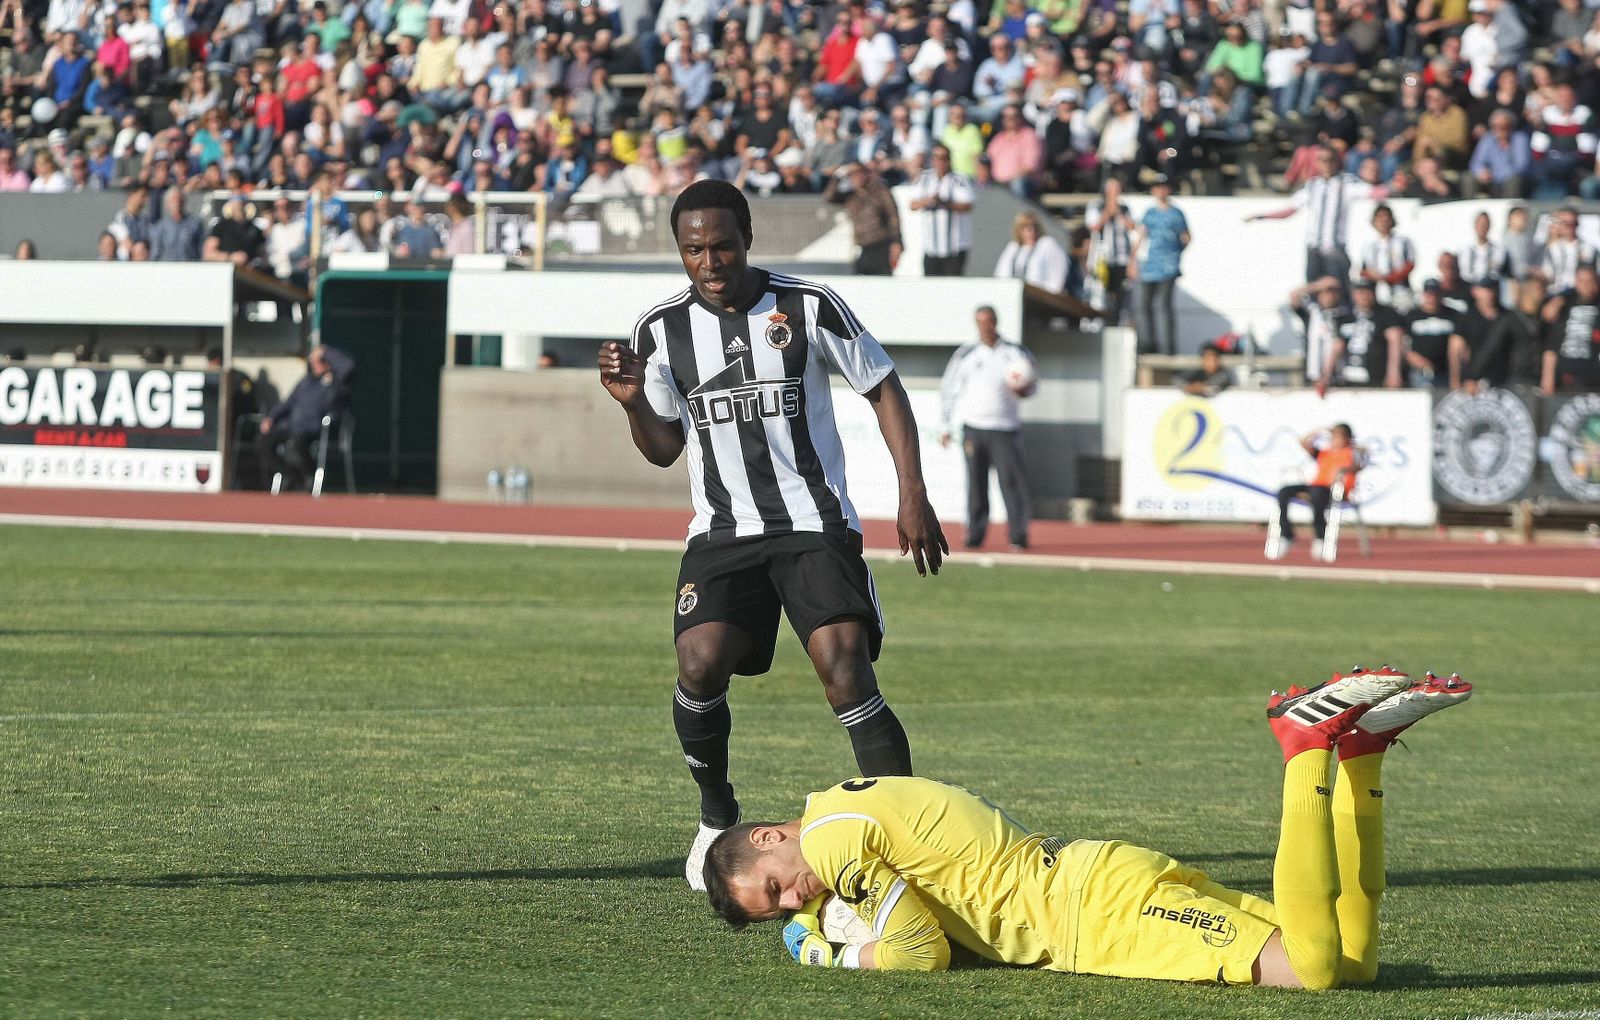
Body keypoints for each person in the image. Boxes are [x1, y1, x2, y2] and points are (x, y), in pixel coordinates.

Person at [595, 180, 948, 892]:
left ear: (746, 236)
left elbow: (882, 386)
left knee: (845, 670)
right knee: (698, 665)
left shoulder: (808, 305)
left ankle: (906, 846)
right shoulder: (659, 330)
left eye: (721, 244)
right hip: (724, 532)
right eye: (694, 249)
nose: (710, 260)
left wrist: (913, 491)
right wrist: (634, 402)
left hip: (814, 524)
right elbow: (663, 448)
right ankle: (715, 813)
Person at [705, 663, 1473, 989]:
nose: (790, 899)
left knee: (1313, 969)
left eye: (773, 887)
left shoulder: (835, 841)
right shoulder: (844, 803)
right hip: (1097, 880)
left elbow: (918, 956)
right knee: (1352, 961)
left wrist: (827, 956)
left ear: (771, 836)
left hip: (1096, 915)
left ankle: (1307, 749)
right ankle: (1363, 754)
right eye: (775, 907)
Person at [937, 305, 1037, 552]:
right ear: (976, 323)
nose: (986, 326)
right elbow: (949, 390)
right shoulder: (966, 354)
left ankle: (1018, 534)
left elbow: (1033, 384)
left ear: (996, 321)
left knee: (1011, 483)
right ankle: (975, 533)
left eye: (989, 321)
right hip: (974, 428)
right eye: (980, 322)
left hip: (1005, 429)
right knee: (976, 484)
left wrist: (1024, 390)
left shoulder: (1016, 353)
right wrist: (945, 426)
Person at [1247, 145, 1384, 284]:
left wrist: (1393, 187)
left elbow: (1372, 192)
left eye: (1330, 160)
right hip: (1314, 249)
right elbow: (1290, 210)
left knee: (1339, 289)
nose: (1327, 164)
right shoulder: (1312, 185)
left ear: (1337, 161)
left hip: (1335, 248)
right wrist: (1262, 216)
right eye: (1322, 160)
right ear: (1317, 162)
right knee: (1313, 290)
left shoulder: (1347, 182)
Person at [258, 345, 356, 491]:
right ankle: (289, 475)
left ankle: (306, 479)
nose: (316, 365)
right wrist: (271, 418)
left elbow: (348, 366)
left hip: (314, 429)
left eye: (321, 361)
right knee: (263, 442)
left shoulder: (336, 382)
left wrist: (326, 352)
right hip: (291, 425)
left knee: (295, 449)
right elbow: (288, 402)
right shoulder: (305, 382)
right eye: (314, 362)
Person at [1268, 424, 1357, 560]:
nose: (1333, 439)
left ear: (1346, 438)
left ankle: (1320, 537)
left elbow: (1359, 463)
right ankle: (1287, 534)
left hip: (1334, 490)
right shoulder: (1326, 453)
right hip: (1316, 486)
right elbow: (1303, 442)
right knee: (1284, 492)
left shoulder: (1351, 452)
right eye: (1333, 435)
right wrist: (1320, 430)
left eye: (1337, 436)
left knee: (1317, 495)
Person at [1134, 176, 1190, 355]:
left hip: (1168, 266)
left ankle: (1167, 347)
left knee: (1164, 305)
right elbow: (1141, 236)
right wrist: (1132, 259)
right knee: (1144, 305)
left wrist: (1176, 253)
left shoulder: (1176, 213)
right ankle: (1149, 343)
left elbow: (1186, 236)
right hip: (1150, 265)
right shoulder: (1150, 213)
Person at [1320, 280, 1404, 393]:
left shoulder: (1385, 314)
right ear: (1354, 294)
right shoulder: (1346, 317)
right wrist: (1326, 375)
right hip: (1349, 379)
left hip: (1376, 379)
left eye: (1367, 292)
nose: (1363, 296)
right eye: (1360, 292)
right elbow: (1337, 346)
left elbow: (1395, 342)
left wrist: (1393, 372)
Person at [821, 162, 903, 276]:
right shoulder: (850, 197)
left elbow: (893, 217)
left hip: (881, 245)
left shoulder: (879, 191)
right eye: (851, 175)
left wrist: (896, 242)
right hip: (863, 246)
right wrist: (838, 176)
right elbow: (829, 197)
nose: (855, 177)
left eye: (857, 173)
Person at [908, 144, 974, 277]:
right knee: (931, 288)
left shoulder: (959, 179)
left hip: (954, 246)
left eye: (944, 157)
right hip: (931, 247)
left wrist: (944, 203)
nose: (940, 161)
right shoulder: (924, 178)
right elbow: (913, 205)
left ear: (949, 159)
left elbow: (967, 205)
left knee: (953, 285)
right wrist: (928, 201)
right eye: (936, 157)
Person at [1085, 177, 1136, 325]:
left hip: (1121, 259)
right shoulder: (1096, 206)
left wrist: (1118, 211)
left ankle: (1116, 324)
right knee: (1100, 294)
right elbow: (1094, 226)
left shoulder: (1124, 208)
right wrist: (1108, 209)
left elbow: (1131, 226)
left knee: (1121, 295)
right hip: (1101, 258)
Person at [1400, 280, 1461, 388]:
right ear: (1423, 294)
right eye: (1429, 294)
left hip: (1446, 371)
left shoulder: (1453, 315)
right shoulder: (1412, 315)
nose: (1432, 297)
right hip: (1419, 372)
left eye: (1435, 294)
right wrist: (1412, 357)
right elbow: (1403, 343)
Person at [1356, 204, 1415, 312]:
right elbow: (1363, 270)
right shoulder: (1369, 244)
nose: (1383, 221)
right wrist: (1372, 275)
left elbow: (1410, 264)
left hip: (1400, 290)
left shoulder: (1403, 241)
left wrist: (1390, 277)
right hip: (1378, 291)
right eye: (1379, 217)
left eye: (1386, 216)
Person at [993, 212, 1069, 294]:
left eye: (1034, 226)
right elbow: (1000, 274)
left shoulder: (1047, 245)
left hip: (1039, 297)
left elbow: (1058, 274)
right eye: (1026, 227)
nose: (1031, 230)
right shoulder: (1013, 248)